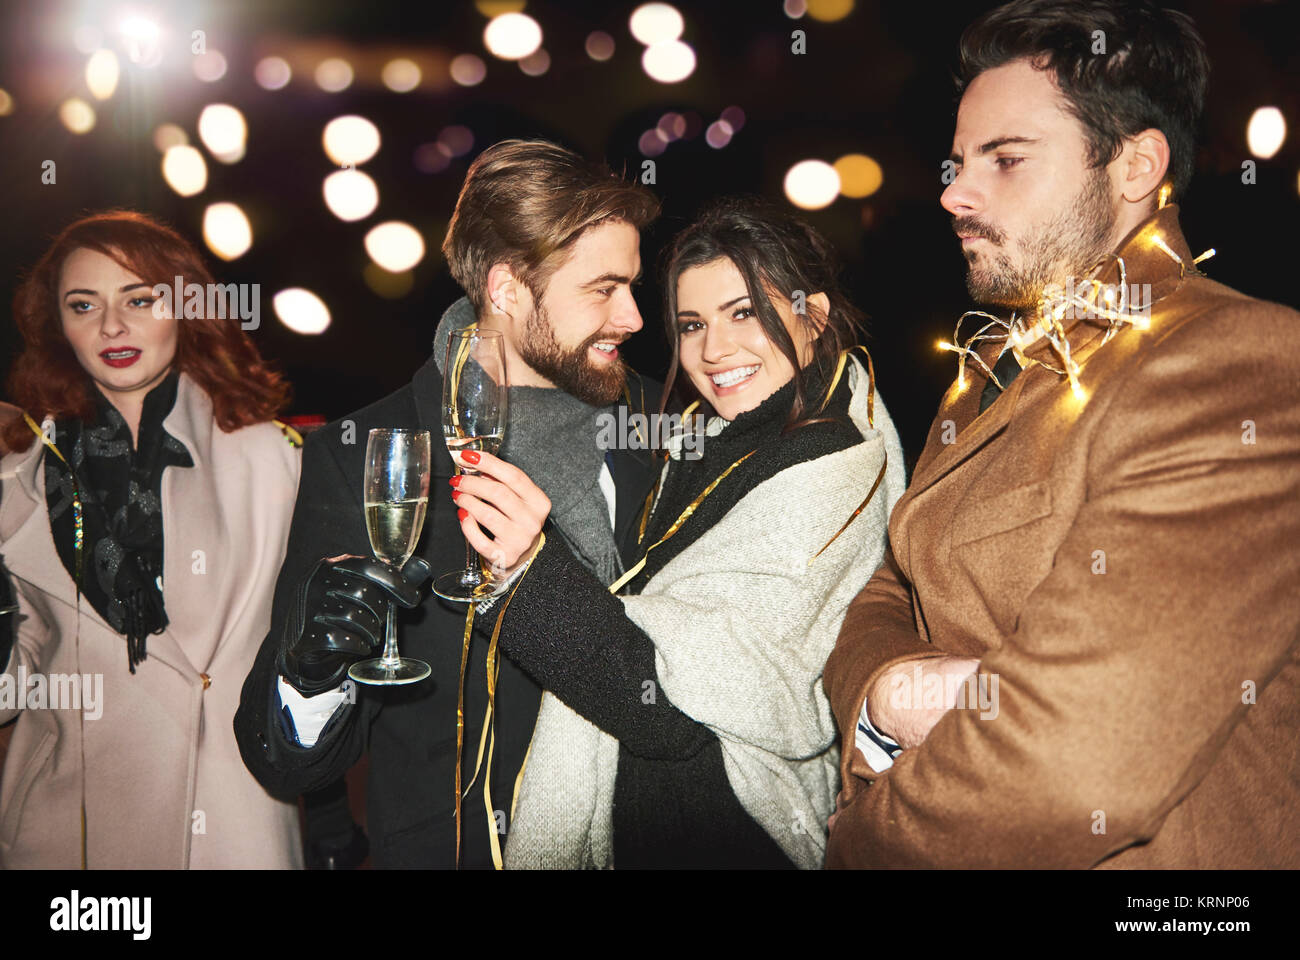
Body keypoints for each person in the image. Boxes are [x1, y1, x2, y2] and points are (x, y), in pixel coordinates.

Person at [823, 0, 1300, 868]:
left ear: (1134, 167)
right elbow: (886, 589)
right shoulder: (989, 369)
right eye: (959, 161)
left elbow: (1077, 762)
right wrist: (892, 693)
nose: (953, 192)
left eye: (1005, 159)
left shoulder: (1239, 361)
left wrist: (853, 844)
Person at [234, 139, 664, 868]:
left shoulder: (667, 423)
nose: (633, 316)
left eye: (633, 286)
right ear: (506, 289)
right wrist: (310, 673)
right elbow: (288, 765)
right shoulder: (367, 448)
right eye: (603, 288)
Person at [446, 198, 907, 868]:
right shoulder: (713, 445)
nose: (714, 350)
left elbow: (664, 707)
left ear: (814, 316)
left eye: (744, 312)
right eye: (692, 325)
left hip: (731, 828)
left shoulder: (828, 466)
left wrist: (529, 570)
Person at [0, 210, 303, 868]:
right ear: (59, 326)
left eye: (139, 299)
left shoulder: (272, 460)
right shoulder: (19, 472)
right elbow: (16, 674)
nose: (111, 327)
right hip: (67, 825)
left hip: (226, 816)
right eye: (84, 305)